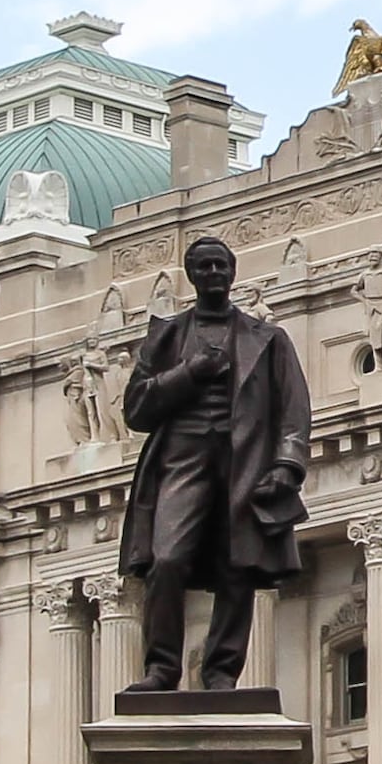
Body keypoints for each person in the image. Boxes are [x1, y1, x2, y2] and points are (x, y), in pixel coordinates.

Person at [116, 235, 311, 691]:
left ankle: (222, 671)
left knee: (237, 564)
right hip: (182, 457)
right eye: (204, 267)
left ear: (233, 272)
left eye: (220, 266)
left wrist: (286, 465)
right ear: (192, 275)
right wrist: (190, 373)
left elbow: (294, 409)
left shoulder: (268, 339)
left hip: (245, 457)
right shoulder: (165, 338)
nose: (214, 274)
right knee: (167, 558)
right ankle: (162, 668)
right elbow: (137, 409)